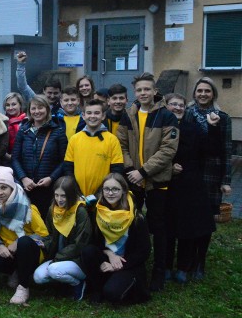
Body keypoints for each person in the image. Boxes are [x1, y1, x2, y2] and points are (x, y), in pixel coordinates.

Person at [117, 72, 178, 292]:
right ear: (135, 92)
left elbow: (168, 150)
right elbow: (121, 145)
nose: (143, 93)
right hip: (133, 179)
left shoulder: (167, 116)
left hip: (157, 181)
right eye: (139, 90)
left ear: (154, 91)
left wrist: (143, 172)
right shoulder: (128, 114)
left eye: (147, 89)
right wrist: (131, 169)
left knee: (158, 226)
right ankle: (135, 265)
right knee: (132, 223)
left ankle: (159, 271)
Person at [165, 92, 216, 282]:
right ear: (166, 106)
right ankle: (167, 266)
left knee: (186, 225)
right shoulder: (159, 126)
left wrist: (212, 128)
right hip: (165, 184)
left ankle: (183, 267)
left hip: (189, 185)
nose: (178, 108)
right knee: (168, 228)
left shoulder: (193, 129)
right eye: (173, 104)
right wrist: (168, 168)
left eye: (181, 105)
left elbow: (210, 151)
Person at [0, 166, 48, 304]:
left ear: (12, 188)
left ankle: (23, 286)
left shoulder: (27, 208)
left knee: (23, 243)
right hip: (9, 251)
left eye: (4, 188)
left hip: (30, 250)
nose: (0, 193)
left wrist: (18, 242)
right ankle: (15, 271)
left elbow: (44, 235)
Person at [80, 173, 151, 305]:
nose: (110, 193)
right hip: (108, 258)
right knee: (88, 251)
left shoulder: (136, 217)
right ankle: (97, 289)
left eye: (115, 189)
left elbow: (143, 252)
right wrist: (109, 253)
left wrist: (117, 266)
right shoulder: (98, 211)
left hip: (128, 263)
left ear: (124, 190)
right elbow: (94, 243)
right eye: (106, 189)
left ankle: (118, 284)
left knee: (112, 294)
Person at [33, 176, 92, 300]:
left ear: (71, 195)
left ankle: (78, 283)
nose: (59, 200)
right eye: (56, 195)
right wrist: (44, 244)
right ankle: (63, 284)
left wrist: (58, 258)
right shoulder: (52, 210)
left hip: (75, 260)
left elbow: (80, 244)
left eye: (63, 196)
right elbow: (49, 235)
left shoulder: (80, 211)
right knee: (38, 277)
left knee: (54, 270)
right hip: (57, 259)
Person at [11, 94, 68, 218]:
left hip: (48, 189)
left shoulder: (58, 131)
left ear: (47, 109)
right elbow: (15, 158)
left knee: (46, 222)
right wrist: (23, 178)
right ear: (29, 111)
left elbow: (65, 161)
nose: (37, 111)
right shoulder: (23, 131)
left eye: (40, 108)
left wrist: (51, 178)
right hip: (27, 188)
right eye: (33, 108)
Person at [186, 77, 233, 225]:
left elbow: (227, 150)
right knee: (189, 215)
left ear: (213, 94)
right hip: (190, 172)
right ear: (194, 94)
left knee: (207, 219)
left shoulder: (223, 118)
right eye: (199, 90)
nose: (203, 94)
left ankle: (202, 248)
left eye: (207, 91)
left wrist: (226, 181)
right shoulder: (187, 114)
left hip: (212, 174)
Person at [63, 99, 124, 199]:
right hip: (78, 195)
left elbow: (116, 170)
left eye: (97, 113)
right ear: (83, 115)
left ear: (103, 116)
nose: (92, 116)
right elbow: (68, 169)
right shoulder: (74, 139)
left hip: (104, 196)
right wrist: (76, 192)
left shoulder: (112, 140)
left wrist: (101, 193)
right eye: (89, 113)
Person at [3, 92, 26, 164]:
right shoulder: (2, 121)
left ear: (20, 105)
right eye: (7, 105)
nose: (10, 108)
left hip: (25, 161)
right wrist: (7, 155)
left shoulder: (27, 121)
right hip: (6, 161)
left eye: (13, 104)